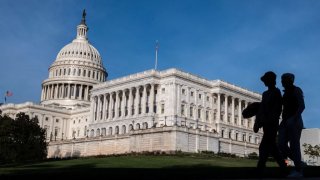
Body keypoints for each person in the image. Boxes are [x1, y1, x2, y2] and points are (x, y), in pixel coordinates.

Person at [256, 71, 287, 176]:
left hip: (272, 123)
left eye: (265, 80)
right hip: (266, 123)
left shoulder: (276, 93)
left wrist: (269, 119)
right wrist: (258, 122)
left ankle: (260, 167)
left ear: (271, 80)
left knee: (264, 146)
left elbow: (277, 109)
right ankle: (283, 167)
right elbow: (262, 109)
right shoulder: (265, 94)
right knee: (272, 147)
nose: (264, 82)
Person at [279, 73, 305, 178]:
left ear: (289, 80)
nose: (281, 81)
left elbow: (302, 106)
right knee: (281, 144)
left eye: (283, 80)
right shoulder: (285, 93)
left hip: (295, 121)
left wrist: (294, 118)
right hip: (285, 121)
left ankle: (298, 170)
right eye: (282, 79)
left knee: (294, 145)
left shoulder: (296, 90)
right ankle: (299, 163)